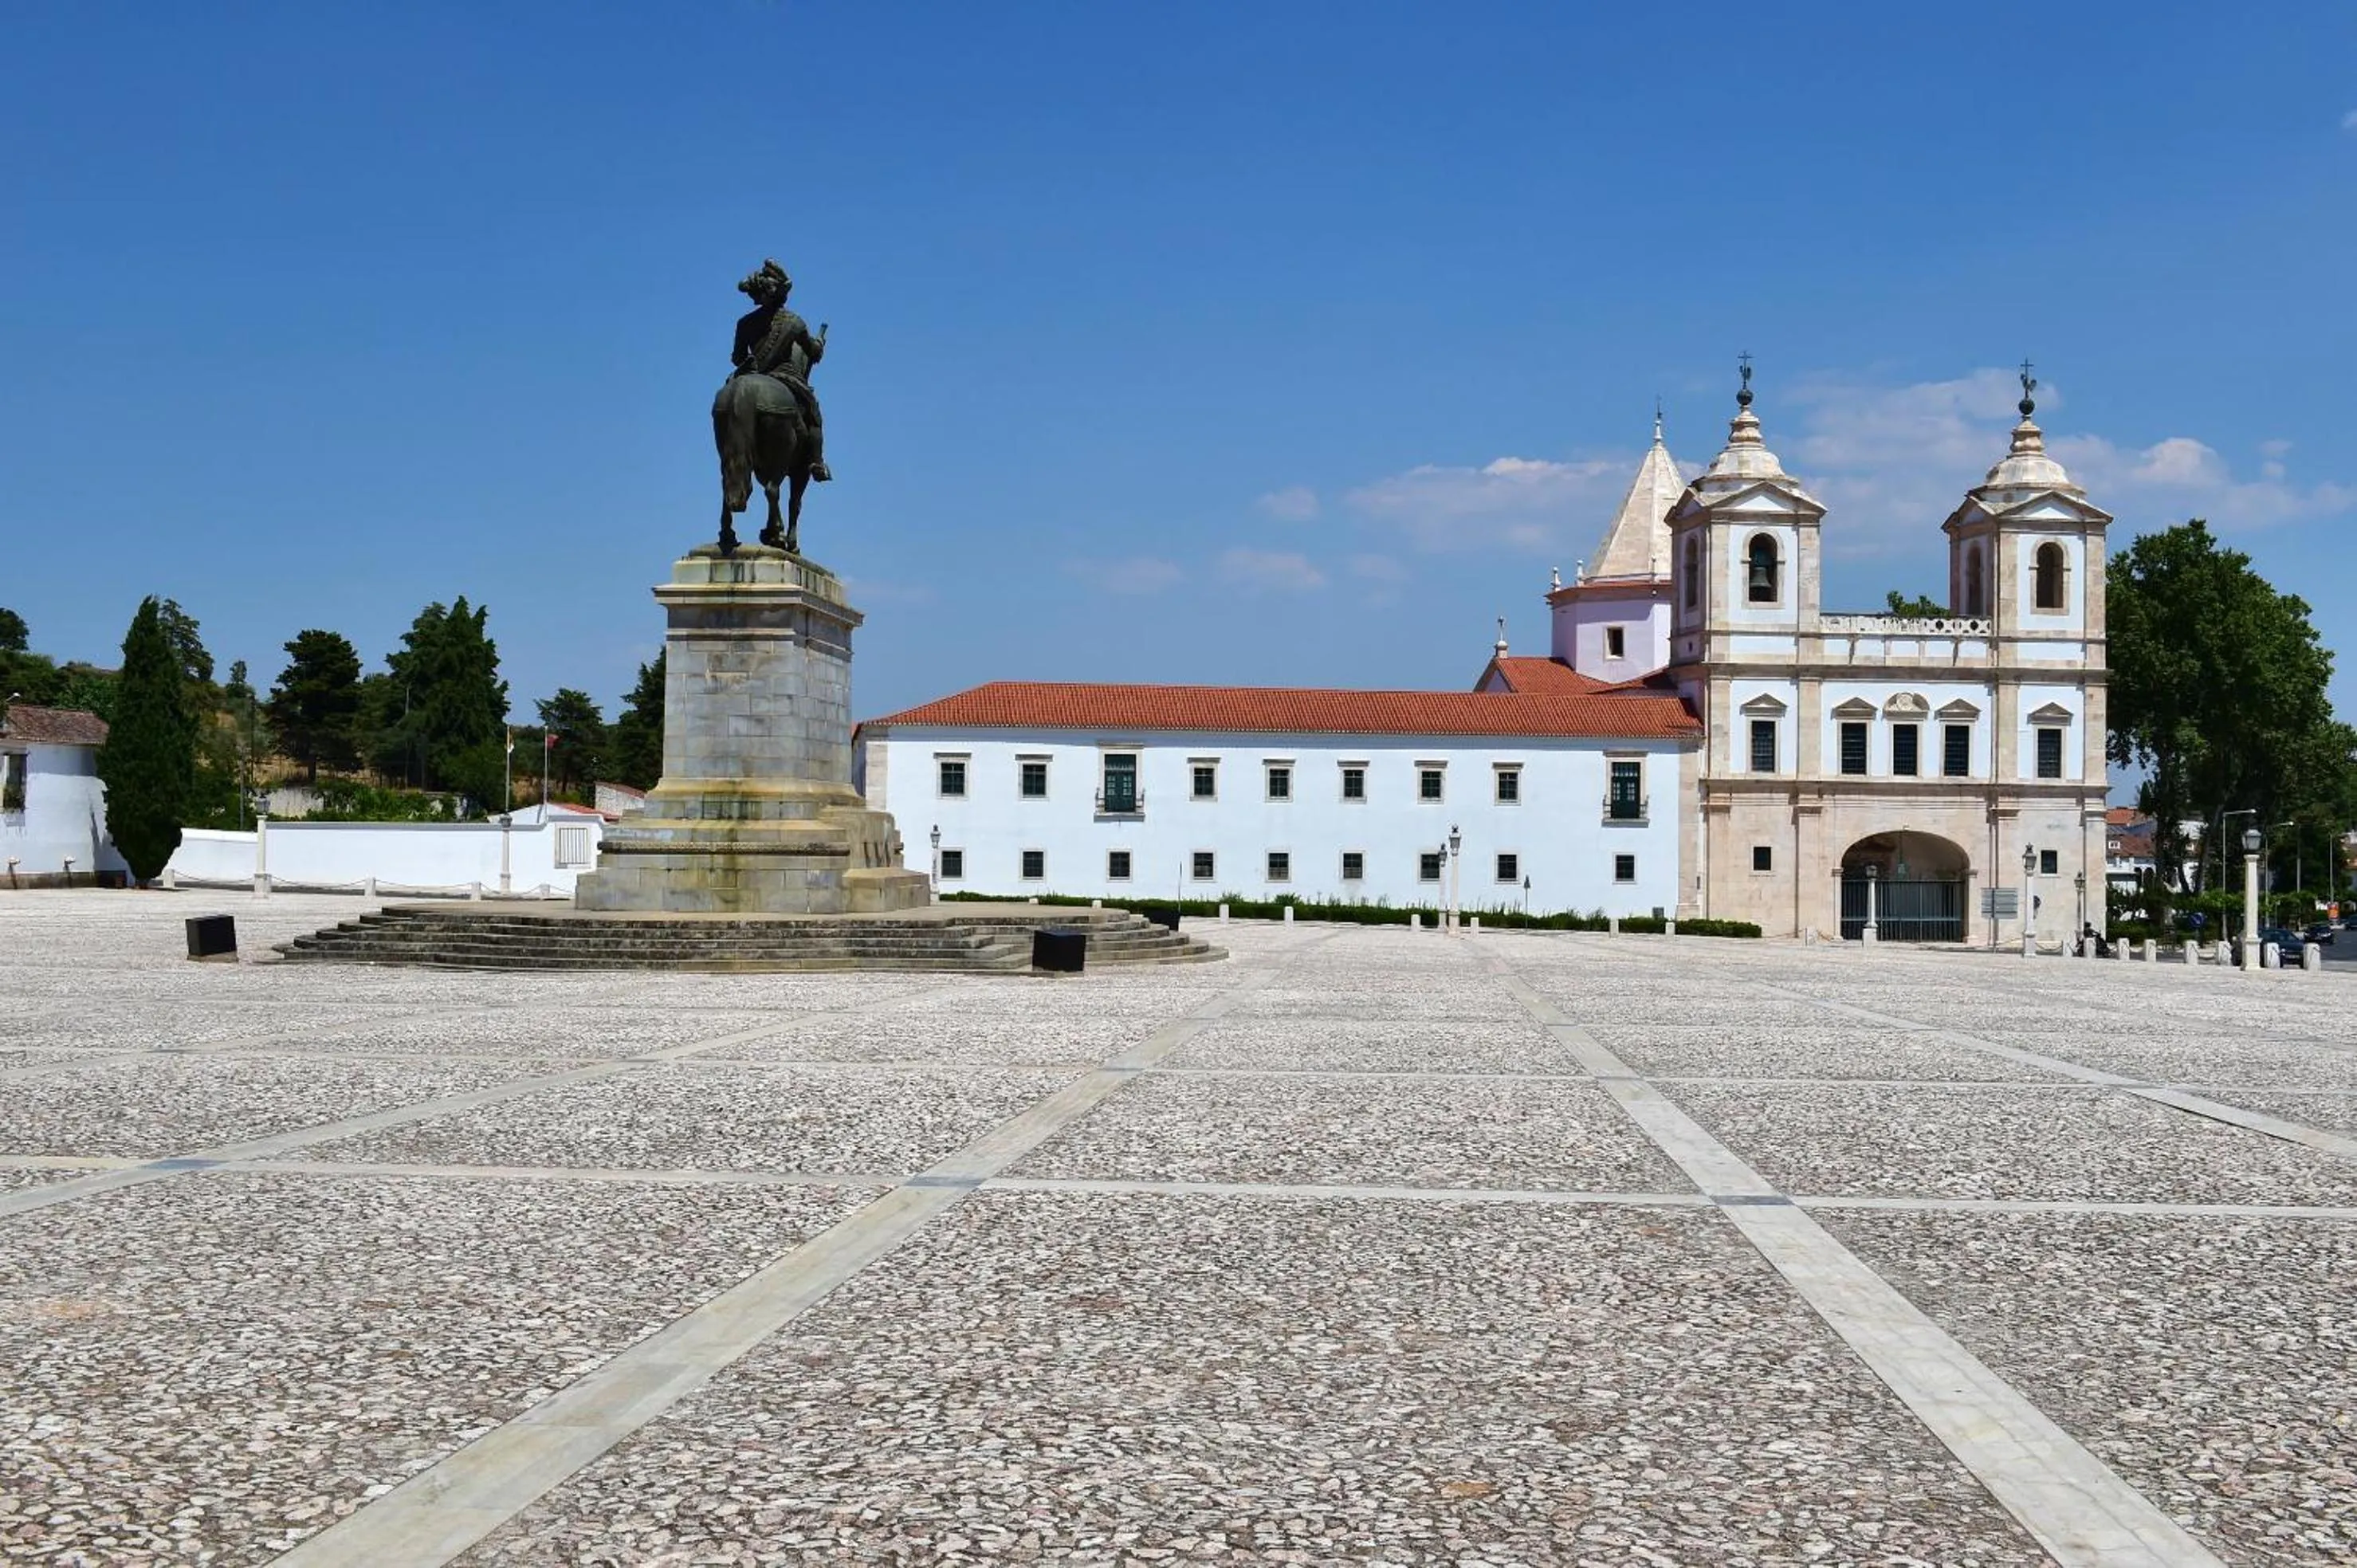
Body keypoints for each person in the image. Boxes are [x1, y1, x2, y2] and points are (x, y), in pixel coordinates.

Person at [729, 259, 831, 481]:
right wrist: (820, 345)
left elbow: (737, 358)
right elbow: (813, 353)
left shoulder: (744, 323)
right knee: (814, 415)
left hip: (753, 374)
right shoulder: (795, 322)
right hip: (787, 377)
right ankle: (817, 462)